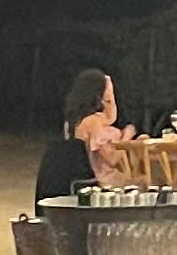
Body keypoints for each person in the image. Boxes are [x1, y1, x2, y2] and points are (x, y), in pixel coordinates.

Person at [36, 69, 128, 202]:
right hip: (98, 180)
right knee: (145, 181)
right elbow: (112, 159)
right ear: (98, 100)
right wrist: (129, 136)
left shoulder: (74, 122)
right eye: (108, 100)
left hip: (80, 178)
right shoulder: (94, 122)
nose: (111, 106)